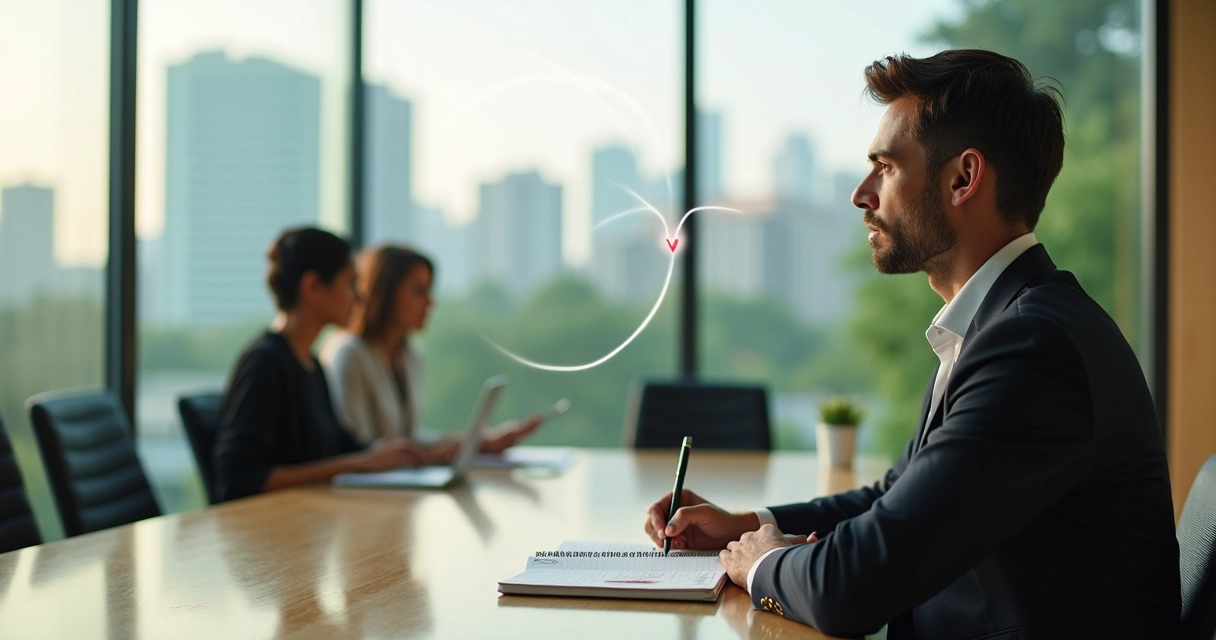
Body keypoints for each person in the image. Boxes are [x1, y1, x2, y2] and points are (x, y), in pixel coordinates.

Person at [643, 50, 1180, 639]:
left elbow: (854, 588)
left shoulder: (1032, 347)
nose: (861, 193)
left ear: (963, 179)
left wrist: (763, 563)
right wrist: (744, 524)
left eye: (886, 166)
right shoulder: (996, 324)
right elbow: (894, 498)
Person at [212, 228, 421, 502]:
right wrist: (358, 464)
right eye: (350, 285)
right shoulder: (265, 363)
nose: (359, 298)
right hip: (269, 534)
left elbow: (343, 447)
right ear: (313, 287)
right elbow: (240, 479)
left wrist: (397, 454)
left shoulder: (311, 366)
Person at [320, 244, 541, 464]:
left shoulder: (409, 355)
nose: (430, 302)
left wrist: (482, 442)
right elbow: (359, 448)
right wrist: (433, 457)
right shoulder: (349, 353)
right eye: (418, 291)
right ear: (385, 292)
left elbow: (409, 437)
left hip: (396, 487)